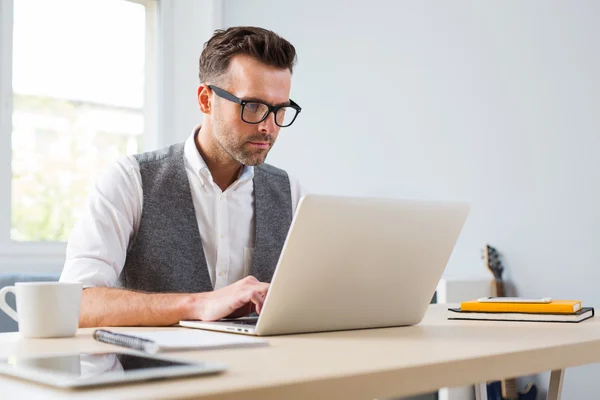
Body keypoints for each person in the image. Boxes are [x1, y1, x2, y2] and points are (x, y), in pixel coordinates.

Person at [59, 26, 308, 328]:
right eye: (252, 106)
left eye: (280, 110)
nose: (268, 126)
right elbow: (77, 303)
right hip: (152, 374)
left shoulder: (291, 192)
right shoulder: (129, 181)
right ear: (206, 100)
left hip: (262, 373)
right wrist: (198, 303)